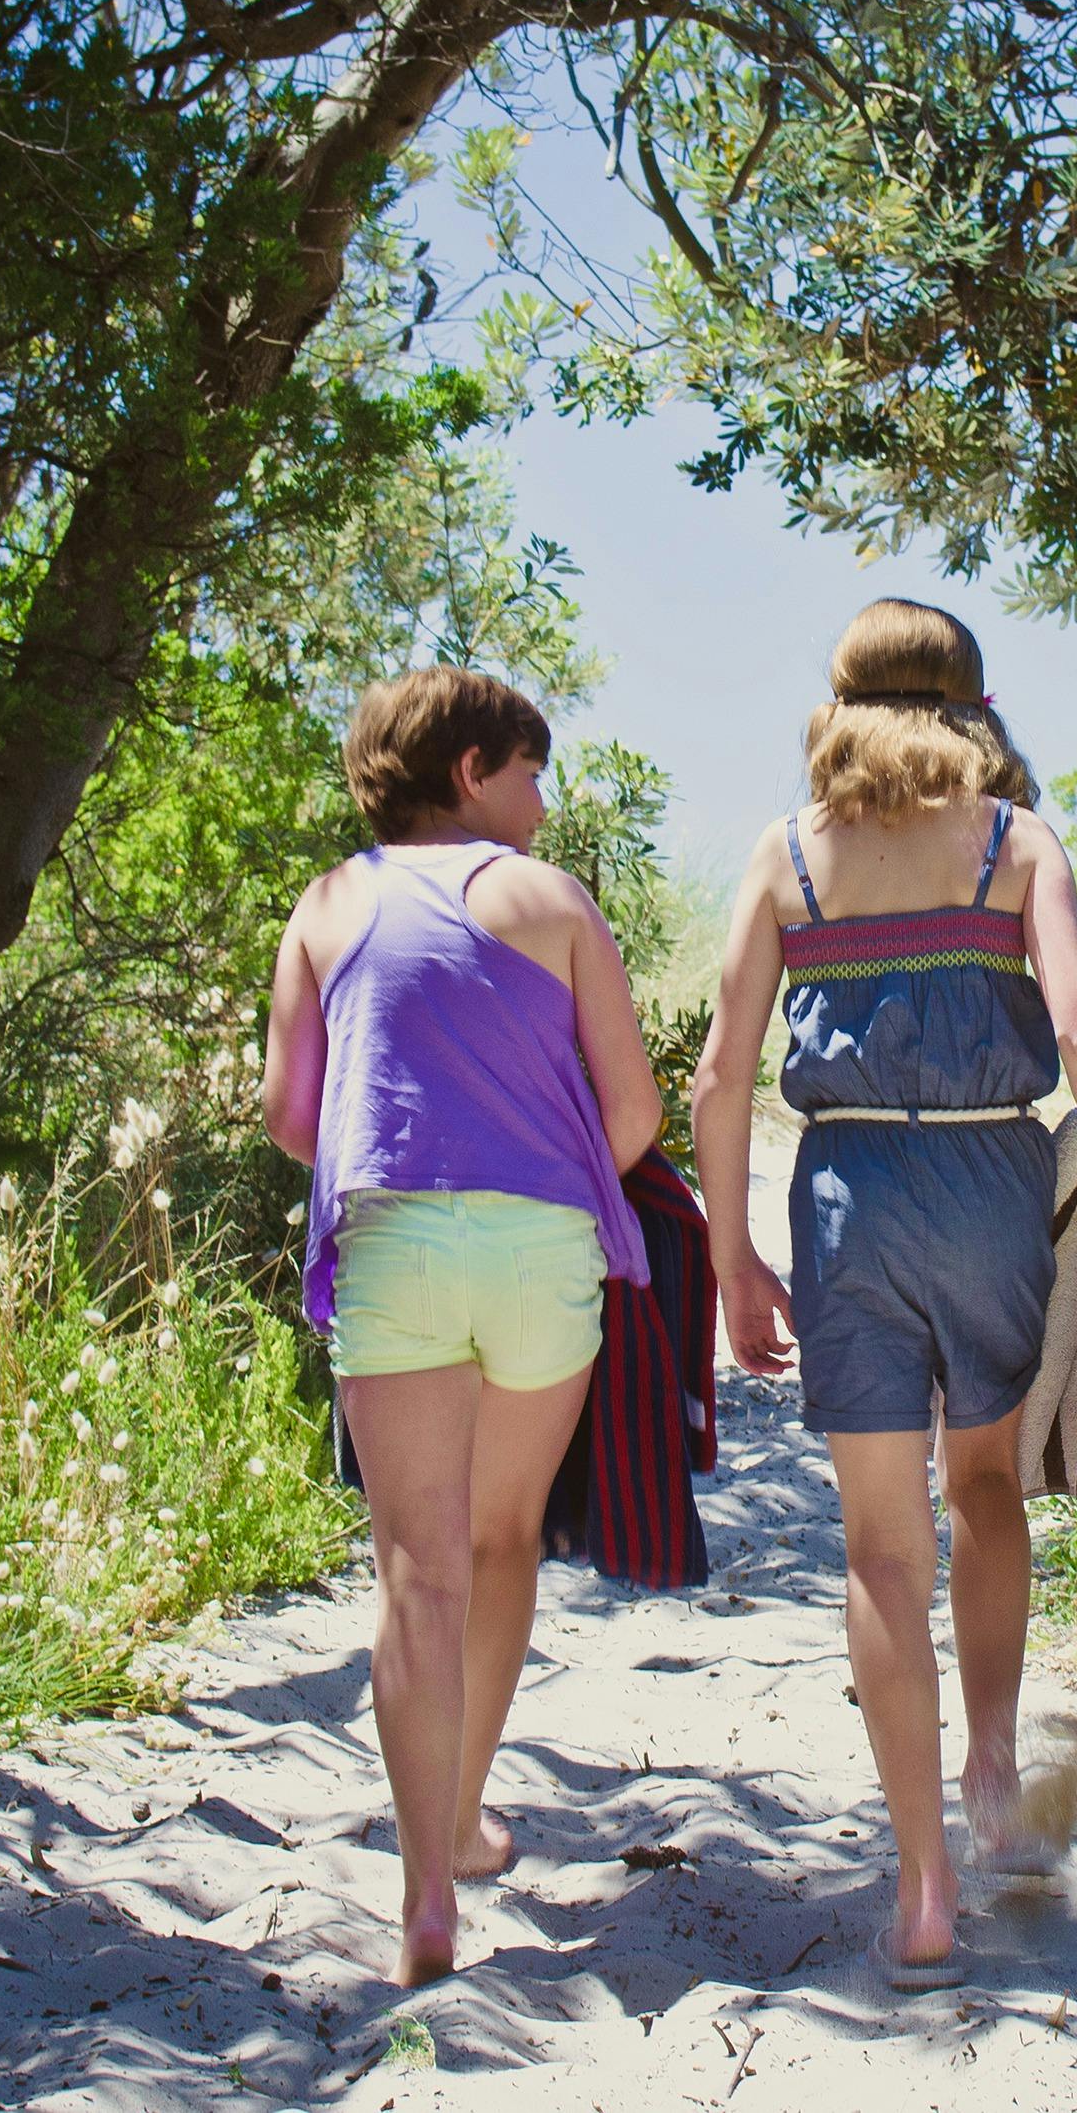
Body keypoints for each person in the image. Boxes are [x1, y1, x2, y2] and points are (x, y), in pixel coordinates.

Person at [690, 598, 1077, 1987]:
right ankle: (994, 1771)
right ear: (971, 704)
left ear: (841, 699)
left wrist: (731, 1258)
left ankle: (924, 1895)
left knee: (880, 1553)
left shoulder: (785, 856)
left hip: (845, 1201)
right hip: (989, 1187)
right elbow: (1075, 1027)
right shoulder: (1013, 844)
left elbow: (716, 1079)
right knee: (985, 1492)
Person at [260, 666, 663, 1987]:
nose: (542, 803)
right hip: (540, 1249)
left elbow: (288, 1115)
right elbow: (634, 1110)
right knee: (500, 1543)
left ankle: (427, 1888)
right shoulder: (548, 901)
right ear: (471, 769)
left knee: (413, 1576)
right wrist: (550, 1176)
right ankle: (473, 1807)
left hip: (393, 1248)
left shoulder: (326, 904)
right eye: (530, 773)